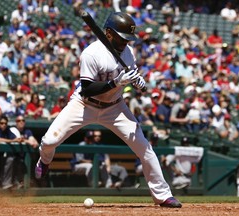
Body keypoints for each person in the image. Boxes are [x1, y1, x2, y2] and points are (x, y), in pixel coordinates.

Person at [35, 12, 181, 208]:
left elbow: (130, 72)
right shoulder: (91, 53)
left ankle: (163, 195)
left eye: (128, 39)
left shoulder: (128, 52)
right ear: (109, 34)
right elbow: (87, 89)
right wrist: (115, 82)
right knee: (49, 141)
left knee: (144, 147)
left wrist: (137, 80)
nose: (125, 42)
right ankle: (44, 161)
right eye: (122, 38)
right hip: (84, 105)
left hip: (115, 107)